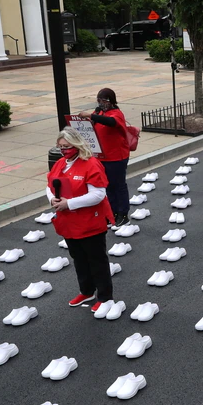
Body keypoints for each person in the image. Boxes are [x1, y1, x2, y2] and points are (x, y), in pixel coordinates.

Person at [47, 127, 115, 312]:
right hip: (69, 222)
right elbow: (50, 185)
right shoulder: (61, 163)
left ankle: (105, 296)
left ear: (77, 144)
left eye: (67, 146)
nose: (63, 150)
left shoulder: (91, 164)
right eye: (60, 146)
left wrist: (69, 204)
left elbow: (98, 194)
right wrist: (52, 198)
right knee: (78, 258)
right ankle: (87, 290)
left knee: (96, 259)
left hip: (89, 222)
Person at [78, 88, 130, 228]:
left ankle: (123, 214)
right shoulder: (98, 112)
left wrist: (91, 116)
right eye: (99, 100)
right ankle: (112, 212)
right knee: (107, 186)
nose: (101, 103)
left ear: (111, 101)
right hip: (102, 157)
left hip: (117, 156)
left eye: (104, 100)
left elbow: (111, 122)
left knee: (118, 185)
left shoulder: (116, 114)